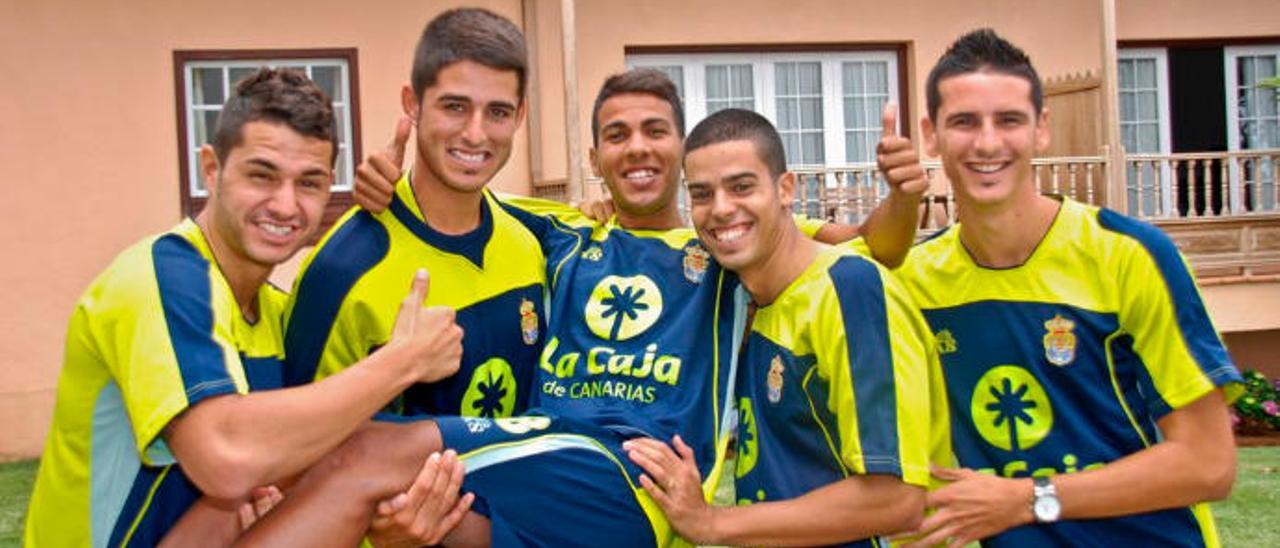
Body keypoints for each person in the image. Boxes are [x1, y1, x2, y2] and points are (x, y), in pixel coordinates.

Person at [23, 68, 465, 547]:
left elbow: (302, 474)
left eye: (310, 183)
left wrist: (389, 523)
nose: (285, 204)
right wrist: (403, 361)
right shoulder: (160, 277)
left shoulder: (275, 310)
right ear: (211, 169)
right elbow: (225, 458)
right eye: (262, 175)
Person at [883, 29, 1242, 547]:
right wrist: (896, 205)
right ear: (930, 134)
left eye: (1009, 120)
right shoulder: (911, 279)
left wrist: (1026, 497)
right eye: (963, 122)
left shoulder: (1128, 255)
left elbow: (1210, 465)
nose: (987, 143)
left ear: (1040, 130)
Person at [620, 108, 949, 546]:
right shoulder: (739, 295)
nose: (720, 209)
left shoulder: (850, 290)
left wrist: (711, 522)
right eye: (702, 194)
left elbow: (897, 499)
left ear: (785, 189)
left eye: (741, 187)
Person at [283, 7, 545, 420]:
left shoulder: (529, 243)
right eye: (455, 106)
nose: (475, 134)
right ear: (413, 104)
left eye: (497, 112)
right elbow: (295, 443)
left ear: (520, 115)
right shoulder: (341, 269)